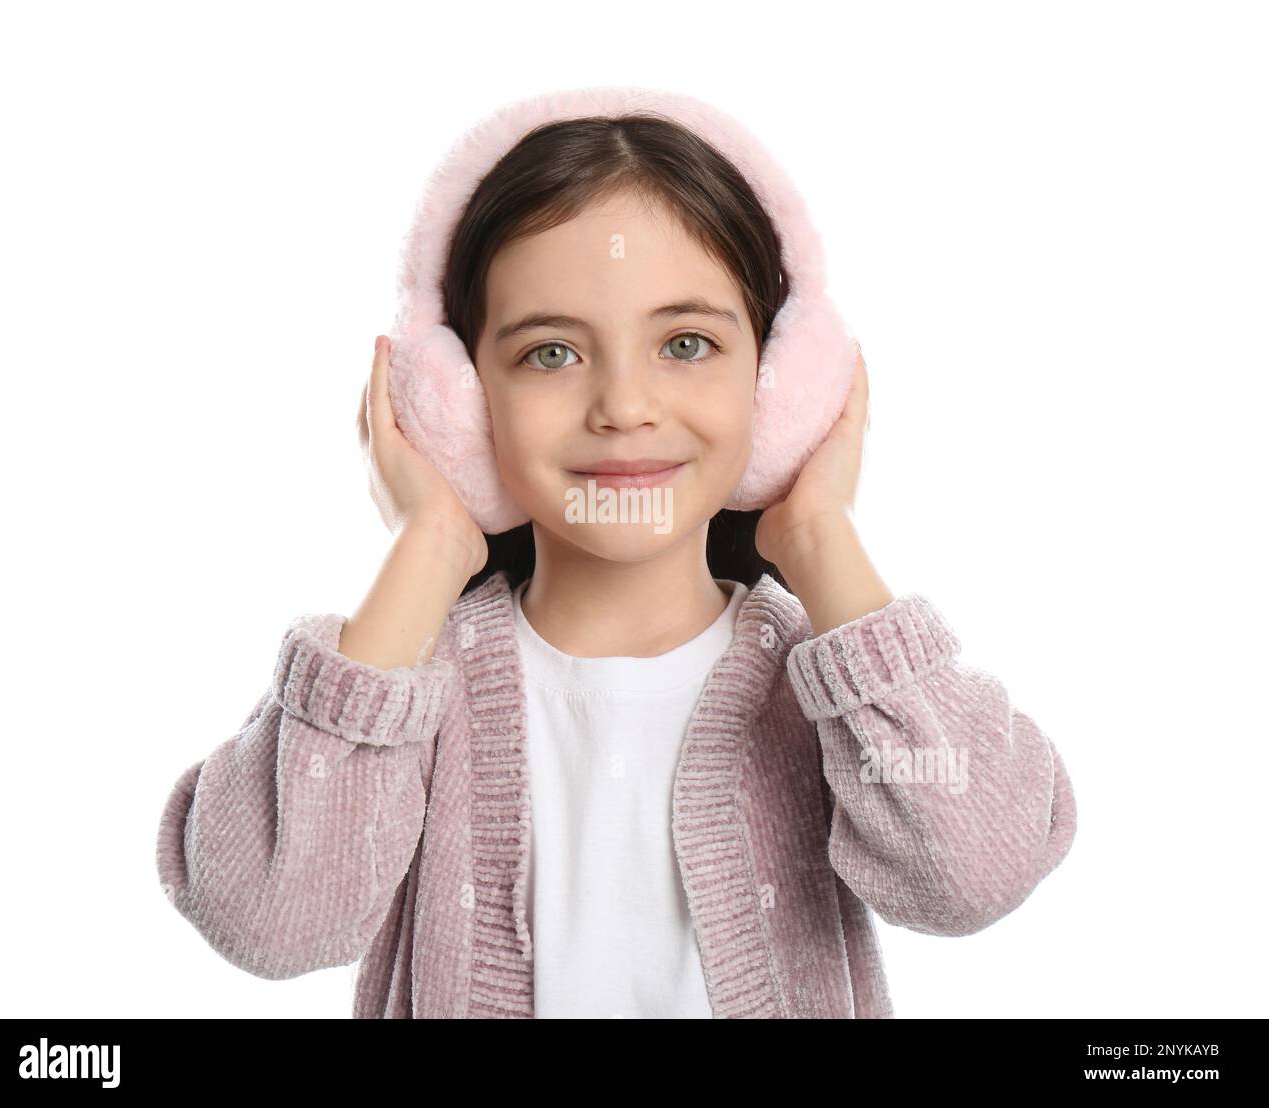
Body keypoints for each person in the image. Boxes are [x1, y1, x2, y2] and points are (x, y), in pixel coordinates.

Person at [156, 103, 1076, 1019]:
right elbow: (267, 921)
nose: (625, 406)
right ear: (461, 402)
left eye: (686, 344)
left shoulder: (829, 689)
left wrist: (818, 535)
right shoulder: (406, 686)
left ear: (782, 386)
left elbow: (973, 877)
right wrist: (426, 548)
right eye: (550, 352)